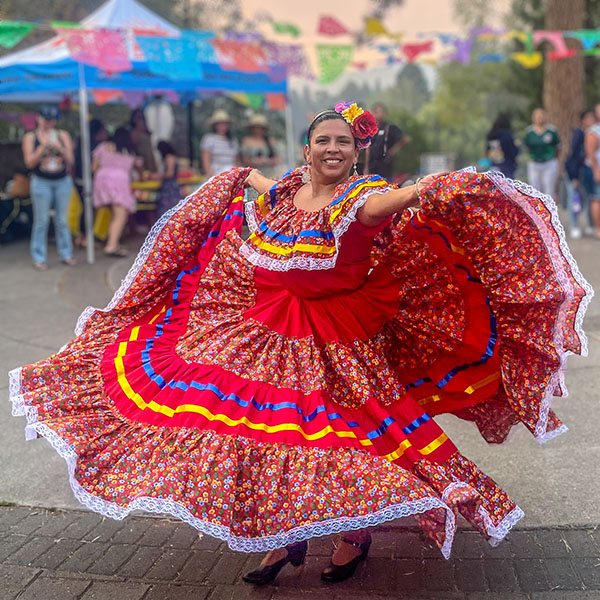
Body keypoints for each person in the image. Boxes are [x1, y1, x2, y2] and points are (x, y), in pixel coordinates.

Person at [10, 103, 592, 588]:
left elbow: (399, 201)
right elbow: (250, 181)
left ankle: (352, 532)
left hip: (340, 343)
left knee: (348, 441)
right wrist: (238, 176)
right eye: (323, 141)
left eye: (343, 141)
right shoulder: (285, 194)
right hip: (269, 332)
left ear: (357, 151)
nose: (333, 149)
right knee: (264, 438)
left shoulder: (364, 198)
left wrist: (438, 185)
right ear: (307, 149)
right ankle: (285, 537)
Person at [22, 105, 75, 270]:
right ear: (39, 118)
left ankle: (66, 253)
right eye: (46, 119)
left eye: (52, 120)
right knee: (41, 221)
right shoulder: (31, 137)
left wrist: (61, 149)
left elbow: (71, 161)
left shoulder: (62, 135)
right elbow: (29, 162)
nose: (48, 123)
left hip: (61, 181)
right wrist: (43, 147)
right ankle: (39, 256)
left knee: (62, 220)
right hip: (41, 181)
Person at [92, 127, 140, 256]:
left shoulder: (103, 146)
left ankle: (112, 242)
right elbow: (138, 168)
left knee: (112, 213)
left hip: (101, 181)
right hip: (119, 183)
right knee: (120, 215)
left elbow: (94, 167)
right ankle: (111, 245)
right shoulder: (128, 151)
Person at [73, 118, 109, 248]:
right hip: (89, 180)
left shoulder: (80, 142)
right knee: (88, 209)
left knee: (85, 208)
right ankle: (85, 237)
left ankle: (82, 236)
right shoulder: (95, 146)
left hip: (79, 179)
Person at [565, 109, 596, 239]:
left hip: (585, 171)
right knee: (574, 198)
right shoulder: (579, 133)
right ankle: (574, 225)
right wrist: (574, 177)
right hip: (574, 171)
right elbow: (574, 156)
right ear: (583, 120)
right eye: (589, 118)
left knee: (589, 197)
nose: (592, 121)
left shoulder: (593, 133)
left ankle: (590, 224)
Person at [363, 102, 410, 180]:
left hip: (384, 165)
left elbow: (405, 139)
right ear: (373, 113)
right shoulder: (370, 128)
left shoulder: (389, 127)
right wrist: (366, 167)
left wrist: (393, 151)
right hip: (372, 166)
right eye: (377, 112)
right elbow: (367, 148)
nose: (380, 114)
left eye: (382, 112)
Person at [524, 108, 561, 198]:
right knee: (534, 189)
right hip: (534, 162)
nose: (539, 118)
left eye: (541, 116)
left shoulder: (551, 130)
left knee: (549, 189)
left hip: (549, 162)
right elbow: (527, 147)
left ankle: (549, 210)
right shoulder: (529, 132)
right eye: (537, 116)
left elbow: (558, 146)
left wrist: (554, 157)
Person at [200, 109, 239, 178]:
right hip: (216, 173)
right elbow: (206, 160)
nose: (222, 126)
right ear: (215, 125)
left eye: (224, 123)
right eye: (220, 123)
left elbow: (235, 160)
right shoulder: (209, 139)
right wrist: (210, 176)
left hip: (232, 173)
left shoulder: (233, 141)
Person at [240, 114, 280, 178]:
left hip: (269, 174)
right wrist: (254, 162)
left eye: (260, 127)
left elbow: (276, 159)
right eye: (255, 127)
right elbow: (244, 160)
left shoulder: (270, 141)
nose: (257, 130)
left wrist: (266, 161)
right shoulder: (246, 141)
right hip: (252, 175)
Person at [485, 113, 520, 179]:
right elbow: (513, 152)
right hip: (507, 166)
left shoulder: (491, 135)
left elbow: (488, 150)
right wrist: (517, 146)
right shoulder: (507, 134)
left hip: (494, 165)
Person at [155, 140, 182, 217]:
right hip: (171, 187)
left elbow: (169, 173)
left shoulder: (169, 158)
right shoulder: (172, 157)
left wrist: (156, 176)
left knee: (168, 209)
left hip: (170, 188)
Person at [584, 114, 600, 238]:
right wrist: (596, 171)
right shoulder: (593, 132)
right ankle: (597, 229)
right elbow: (590, 153)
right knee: (596, 199)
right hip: (597, 169)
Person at [128, 108, 157, 173]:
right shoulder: (133, 132)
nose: (140, 120)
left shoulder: (146, 132)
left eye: (141, 117)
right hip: (140, 159)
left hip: (150, 158)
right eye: (138, 117)